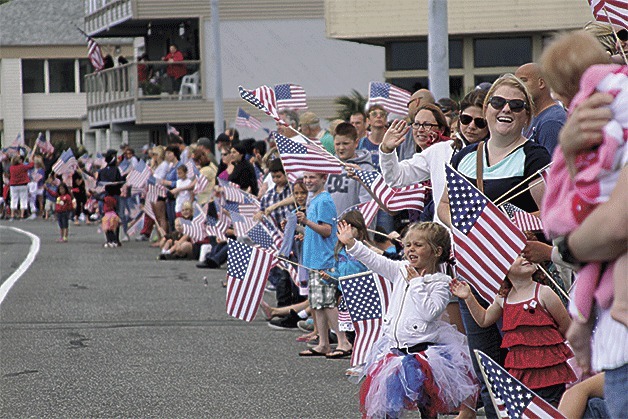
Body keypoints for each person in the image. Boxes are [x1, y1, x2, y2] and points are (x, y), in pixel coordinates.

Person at [437, 74, 551, 419]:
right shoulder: (466, 156)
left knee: (524, 367)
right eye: (498, 103)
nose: (506, 110)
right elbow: (444, 204)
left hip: (518, 279)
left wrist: (506, 226)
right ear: (486, 110)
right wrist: (465, 224)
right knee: (486, 368)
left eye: (516, 105)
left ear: (527, 115)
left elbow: (550, 215)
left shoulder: (534, 156)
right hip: (473, 274)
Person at [540, 30, 627, 346]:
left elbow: (615, 226)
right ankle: (583, 317)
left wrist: (568, 248)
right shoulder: (592, 116)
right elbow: (586, 187)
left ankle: (583, 315)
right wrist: (570, 150)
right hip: (611, 343)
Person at [340, 221, 478, 418]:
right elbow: (375, 261)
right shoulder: (400, 270)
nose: (411, 249)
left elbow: (429, 312)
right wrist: (352, 244)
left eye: (418, 245)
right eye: (407, 245)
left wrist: (416, 283)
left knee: (428, 404)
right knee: (386, 403)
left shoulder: (441, 282)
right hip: (395, 351)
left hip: (426, 354)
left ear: (436, 251)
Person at [451, 255, 575, 406]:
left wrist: (548, 346)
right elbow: (483, 320)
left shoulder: (544, 292)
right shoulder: (503, 298)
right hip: (521, 371)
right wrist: (468, 297)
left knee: (551, 407)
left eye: (524, 254)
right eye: (516, 256)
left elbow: (566, 325)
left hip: (549, 370)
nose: (524, 257)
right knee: (527, 409)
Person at [296, 172, 353, 358]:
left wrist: (306, 222)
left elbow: (327, 230)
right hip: (314, 260)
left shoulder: (324, 201)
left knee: (328, 303)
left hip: (324, 260)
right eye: (305, 177)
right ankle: (323, 343)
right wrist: (299, 228)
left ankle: (343, 342)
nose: (308, 181)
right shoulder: (315, 200)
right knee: (317, 304)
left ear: (323, 179)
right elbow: (315, 230)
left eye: (312, 177)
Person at [515, 62, 567, 156]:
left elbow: (550, 167)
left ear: (541, 83)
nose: (518, 87)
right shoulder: (533, 117)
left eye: (523, 81)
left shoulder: (551, 121)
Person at [325, 122, 375, 216]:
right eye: (337, 144)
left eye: (345, 143)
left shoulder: (366, 168)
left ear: (356, 142)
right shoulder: (329, 166)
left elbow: (367, 201)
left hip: (354, 224)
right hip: (330, 225)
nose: (341, 148)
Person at [9, 151, 35, 220]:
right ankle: (22, 215)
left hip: (13, 185)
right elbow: (31, 166)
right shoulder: (22, 167)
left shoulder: (11, 168)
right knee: (23, 200)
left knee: (14, 199)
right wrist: (31, 160)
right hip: (23, 184)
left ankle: (12, 215)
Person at [27, 155, 45, 219]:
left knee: (40, 200)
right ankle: (32, 212)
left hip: (39, 186)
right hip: (32, 186)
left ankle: (41, 213)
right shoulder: (31, 169)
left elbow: (39, 178)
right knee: (32, 199)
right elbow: (28, 176)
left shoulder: (41, 170)